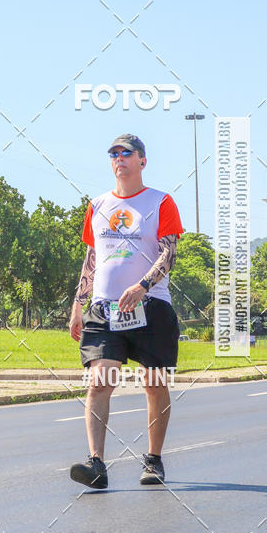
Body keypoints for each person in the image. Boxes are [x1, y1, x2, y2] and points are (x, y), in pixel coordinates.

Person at [68, 134, 183, 489]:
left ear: (142, 161)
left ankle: (153, 459)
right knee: (99, 382)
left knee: (154, 383)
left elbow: (169, 254)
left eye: (126, 153)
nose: (119, 158)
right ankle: (97, 464)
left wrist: (143, 286)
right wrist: (78, 302)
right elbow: (92, 258)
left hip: (151, 306)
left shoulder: (160, 202)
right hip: (105, 308)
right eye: (114, 153)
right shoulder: (97, 205)